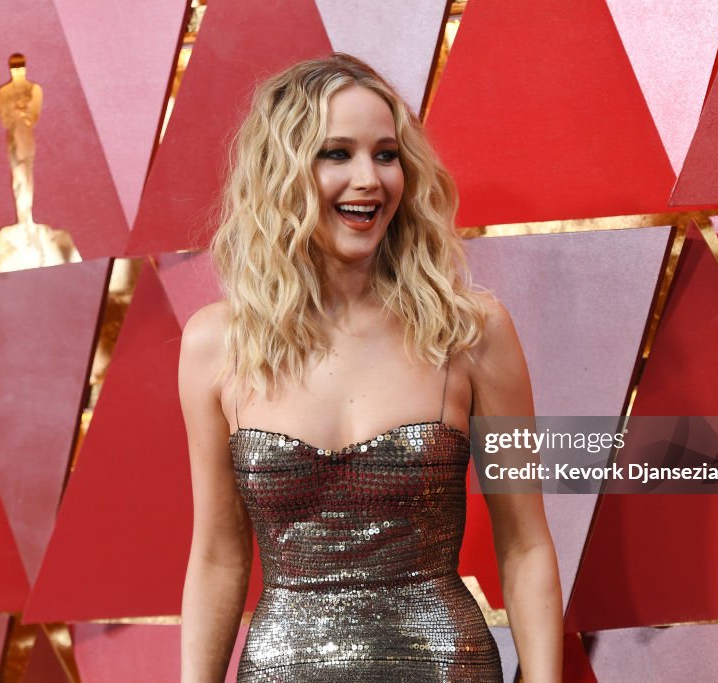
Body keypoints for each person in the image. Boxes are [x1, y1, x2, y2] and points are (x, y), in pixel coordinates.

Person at [178, 53, 562, 682]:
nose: (370, 180)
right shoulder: (216, 344)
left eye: (386, 155)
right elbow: (219, 556)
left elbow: (525, 543)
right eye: (337, 154)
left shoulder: (470, 330)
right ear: (282, 173)